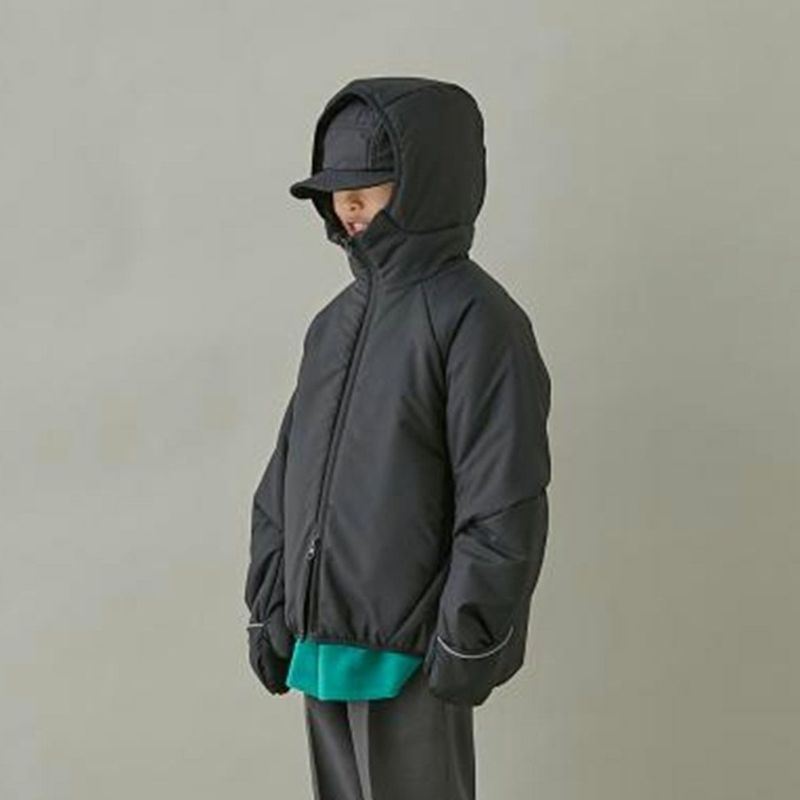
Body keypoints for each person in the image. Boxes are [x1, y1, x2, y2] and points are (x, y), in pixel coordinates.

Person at [244, 76, 551, 800]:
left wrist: (467, 636)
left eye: (366, 188)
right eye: (335, 191)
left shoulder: (477, 319)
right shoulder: (333, 326)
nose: (346, 207)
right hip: (322, 645)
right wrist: (269, 606)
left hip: (410, 653)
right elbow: (285, 479)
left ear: (425, 184)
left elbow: (504, 494)